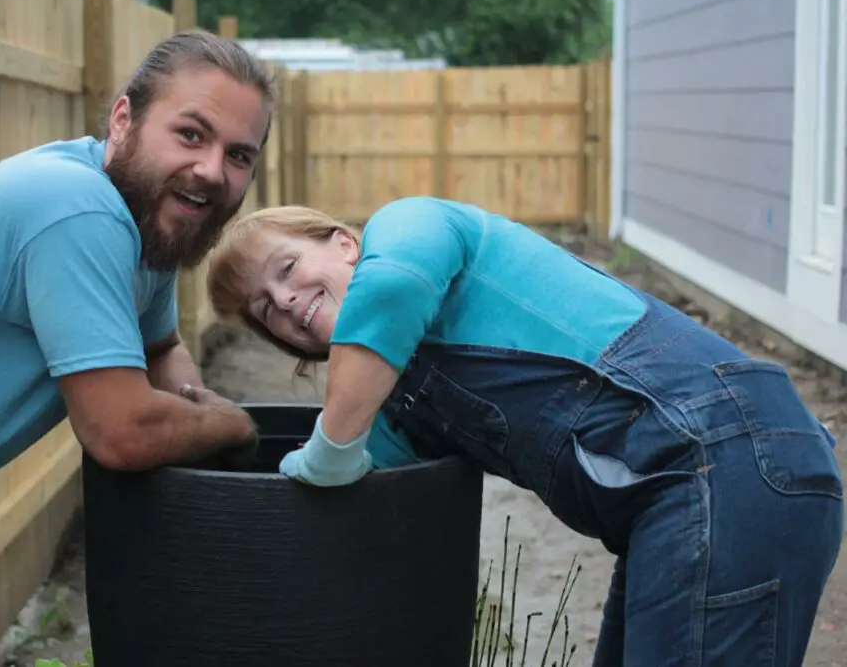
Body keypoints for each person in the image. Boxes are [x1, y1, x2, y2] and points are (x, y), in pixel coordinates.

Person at [205, 196, 845, 667]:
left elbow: (393, 294)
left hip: (732, 459)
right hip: (680, 500)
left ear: (343, 242)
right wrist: (217, 435)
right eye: (265, 310)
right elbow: (347, 502)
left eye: (286, 270)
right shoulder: (400, 407)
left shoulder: (414, 224)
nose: (285, 302)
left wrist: (328, 450)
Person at [0, 30, 270, 665]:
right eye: (191, 134)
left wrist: (197, 425)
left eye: (238, 156)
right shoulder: (76, 209)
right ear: (124, 120)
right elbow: (122, 432)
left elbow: (161, 348)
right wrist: (229, 424)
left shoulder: (146, 223)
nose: (210, 170)